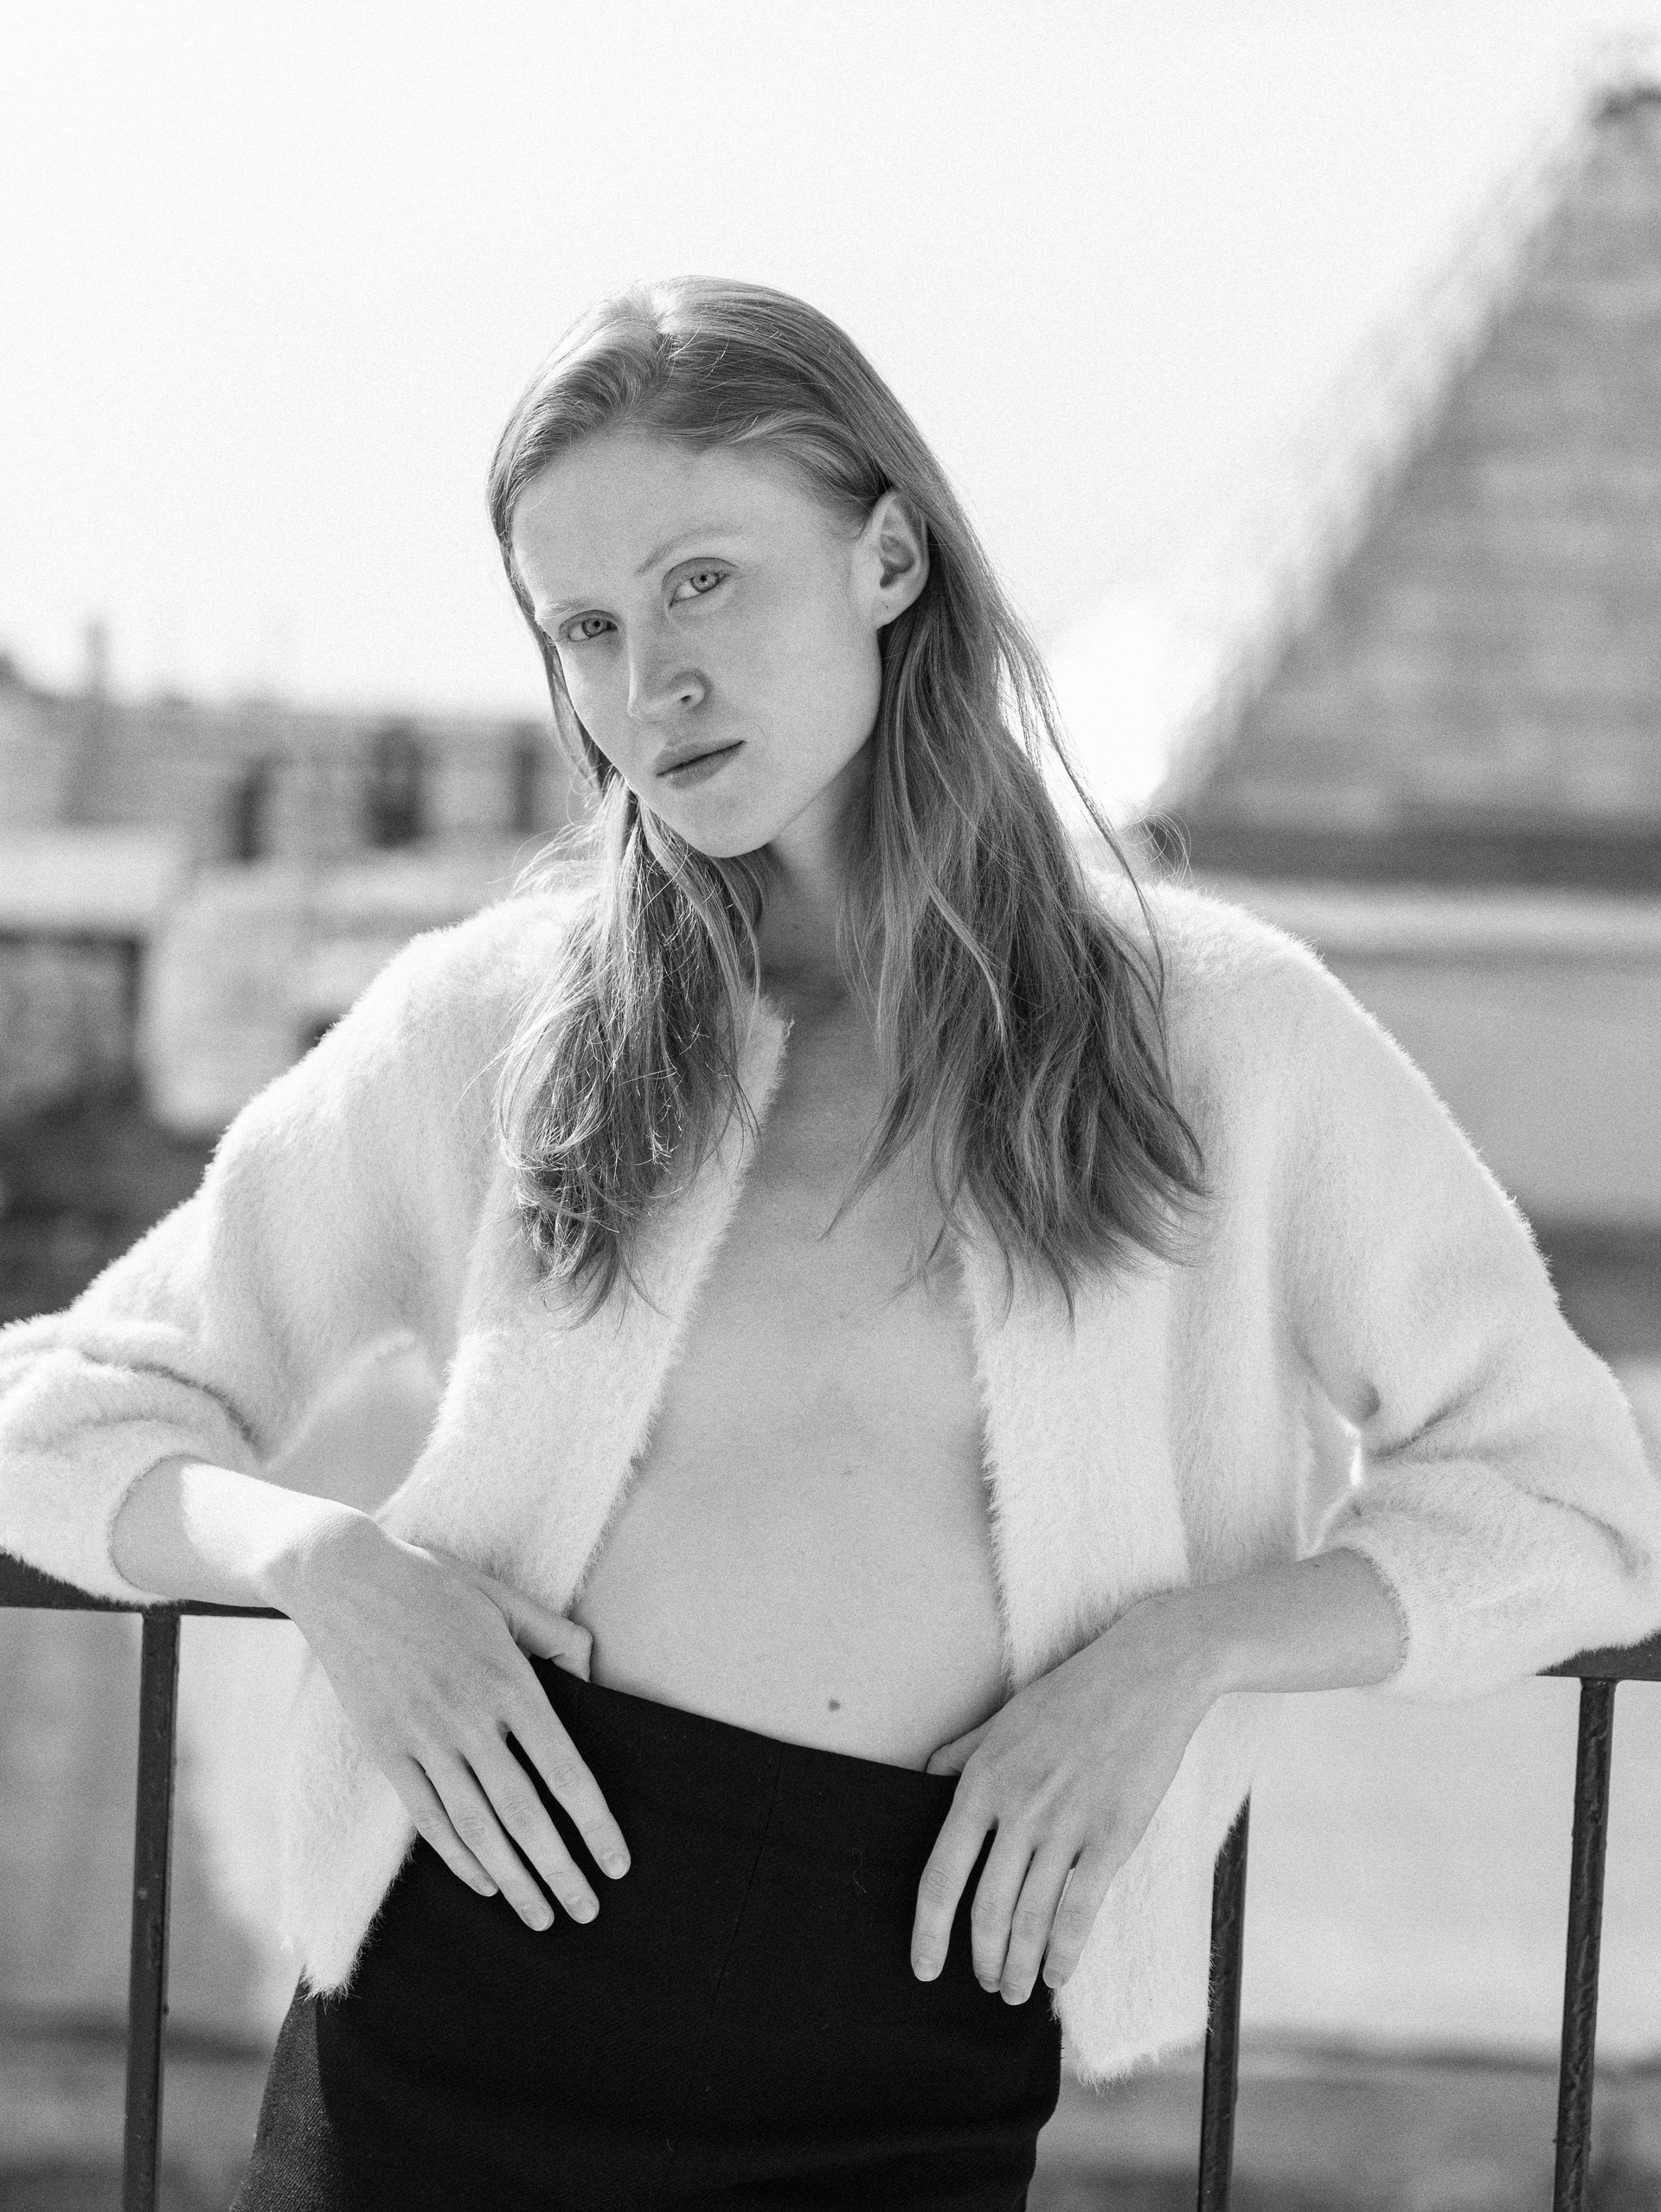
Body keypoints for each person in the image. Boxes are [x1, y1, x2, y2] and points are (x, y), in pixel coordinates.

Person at [3, 277, 1659, 2212]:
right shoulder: (495, 1023)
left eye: (703, 582)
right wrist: (327, 1566)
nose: (650, 685)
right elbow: (57, 1408)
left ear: (890, 556)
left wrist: (1187, 1653)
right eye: (586, 629)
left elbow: (1564, 1501)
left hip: (909, 2055)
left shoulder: (1224, 1039)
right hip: (442, 2023)